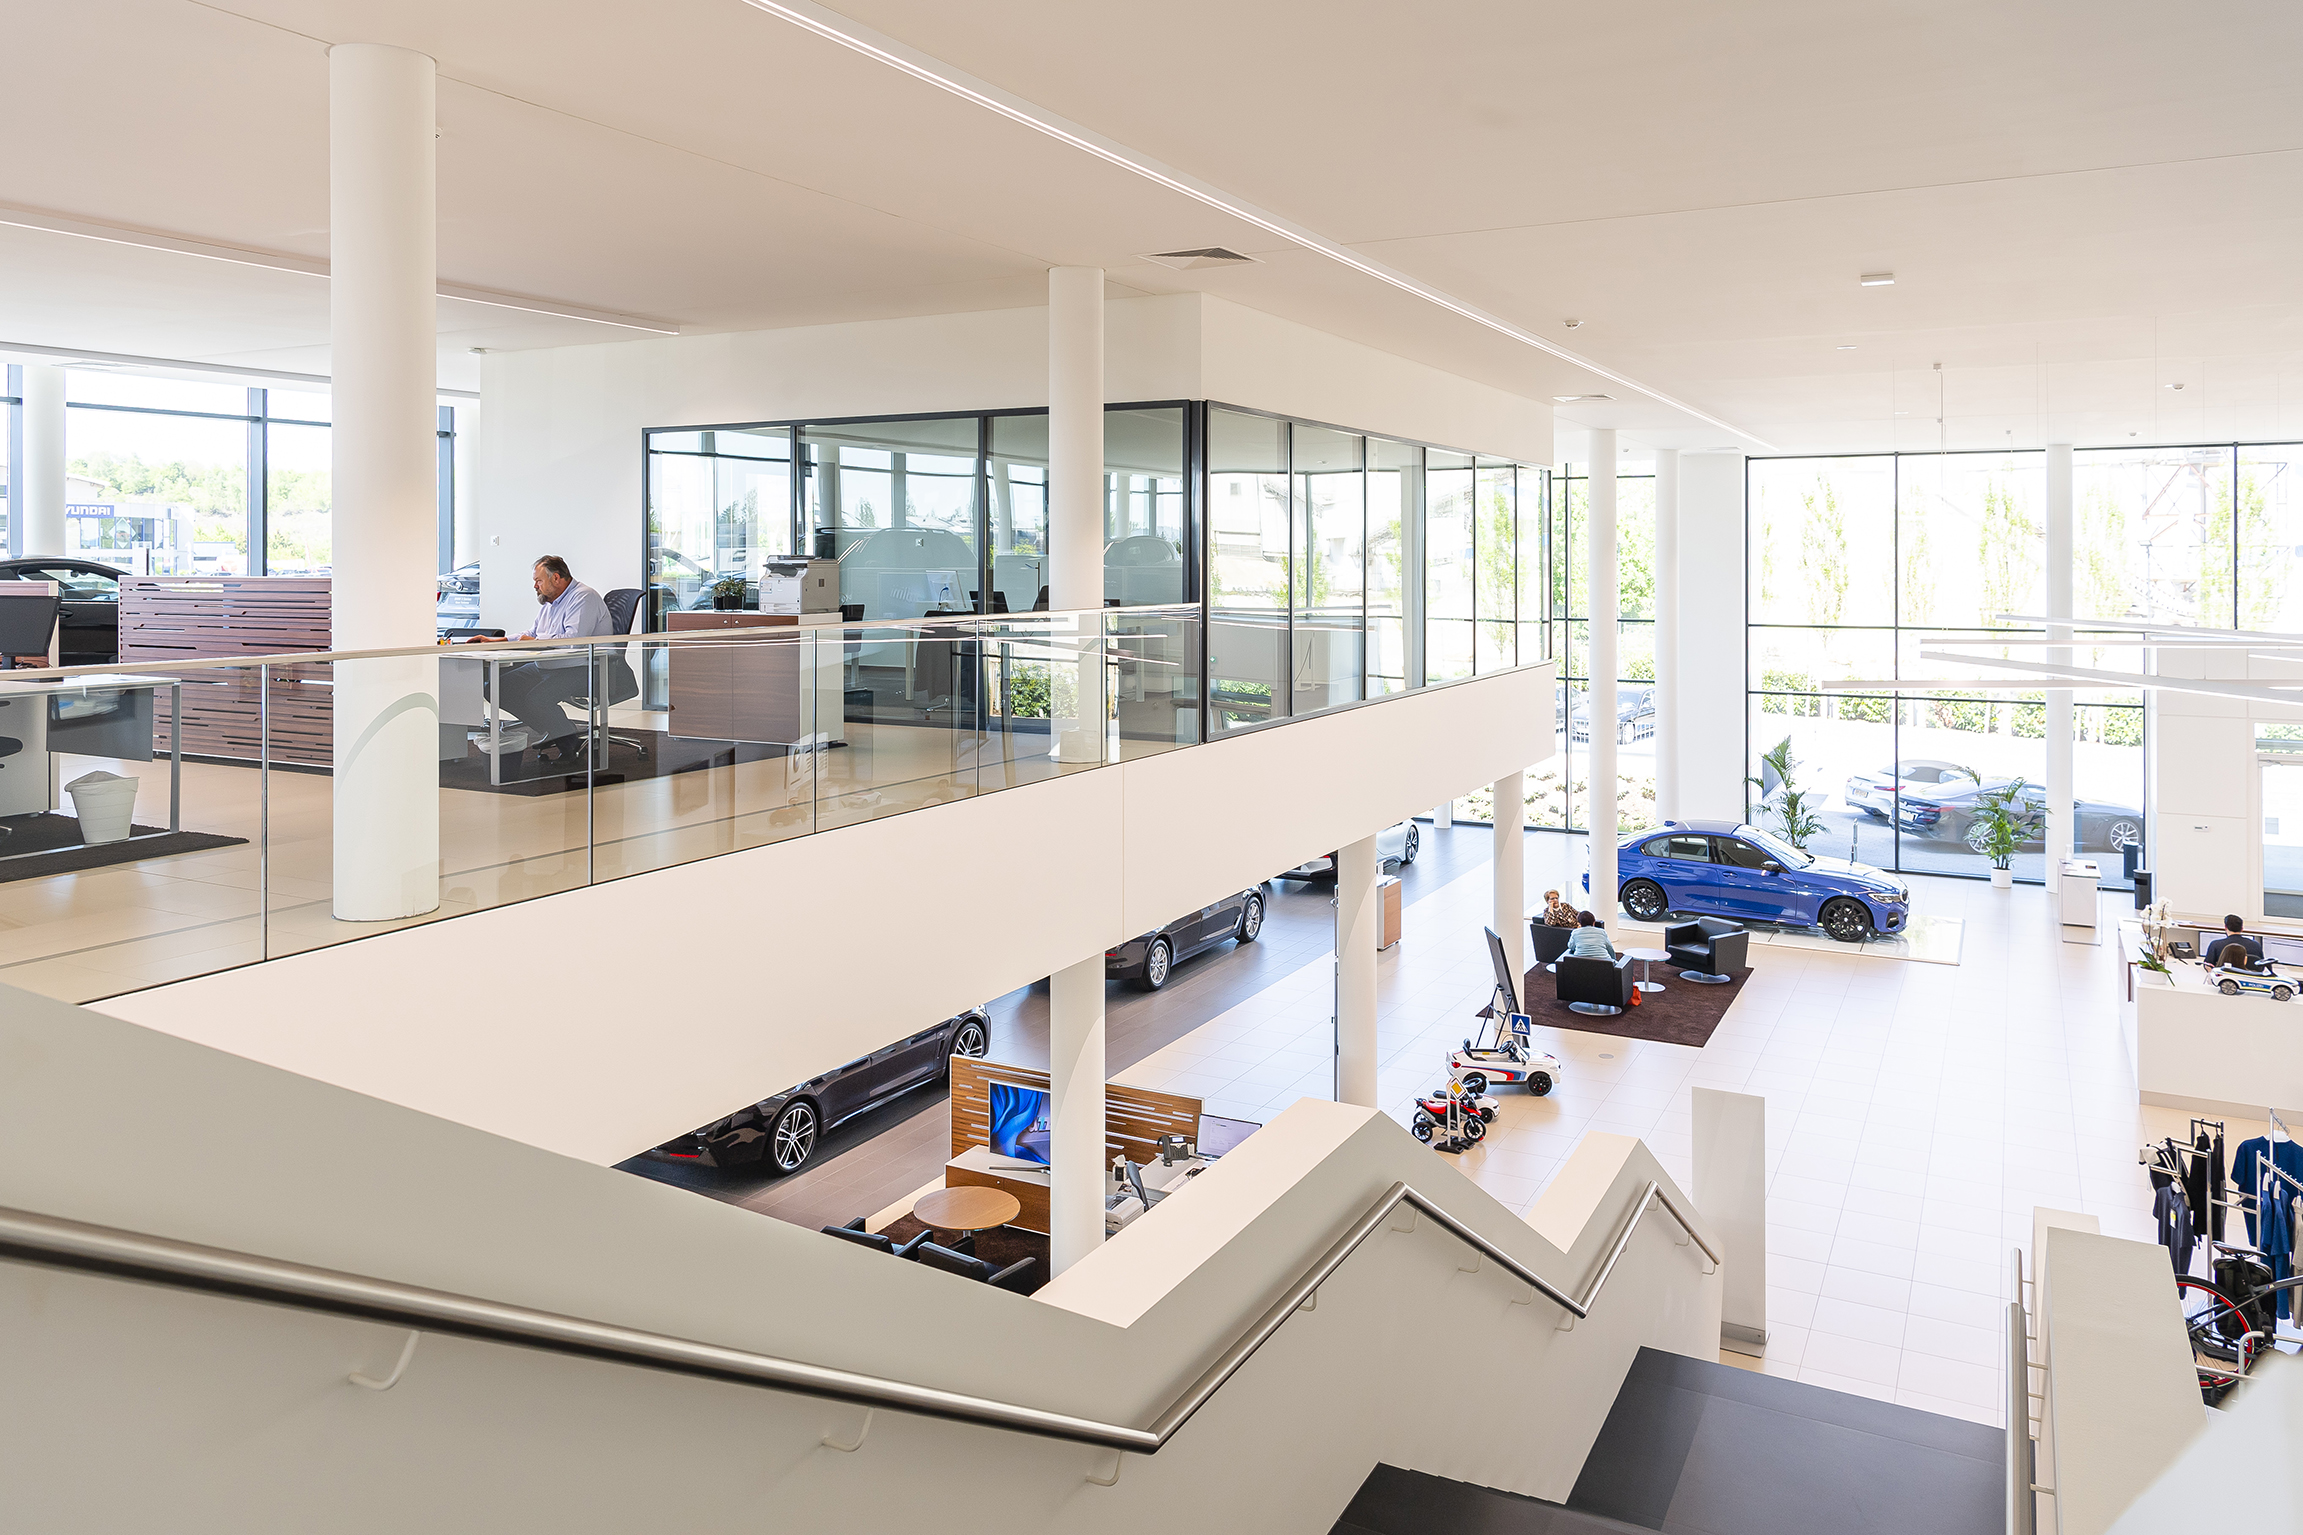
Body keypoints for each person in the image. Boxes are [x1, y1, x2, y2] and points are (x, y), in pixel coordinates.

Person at [476, 556, 619, 759]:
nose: (535, 586)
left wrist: (533, 640)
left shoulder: (583, 597)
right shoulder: (550, 603)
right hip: (551, 665)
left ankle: (568, 744)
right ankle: (559, 730)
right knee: (497, 688)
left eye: (539, 581)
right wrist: (499, 641)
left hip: (584, 667)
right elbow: (533, 632)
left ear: (556, 578)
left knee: (538, 700)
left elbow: (573, 641)